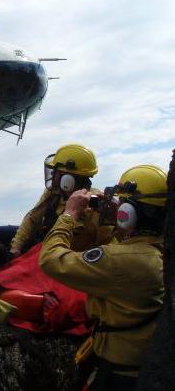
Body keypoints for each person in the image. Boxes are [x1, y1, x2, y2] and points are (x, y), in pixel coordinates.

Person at [39, 164, 167, 390]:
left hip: (118, 375)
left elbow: (50, 259)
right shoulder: (158, 252)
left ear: (129, 213)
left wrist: (69, 214)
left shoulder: (119, 260)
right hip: (145, 366)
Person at [0, 144, 113, 255]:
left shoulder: (96, 204)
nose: (52, 175)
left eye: (56, 172)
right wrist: (15, 248)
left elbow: (107, 244)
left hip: (63, 254)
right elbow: (32, 219)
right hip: (44, 240)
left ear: (68, 180)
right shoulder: (53, 192)